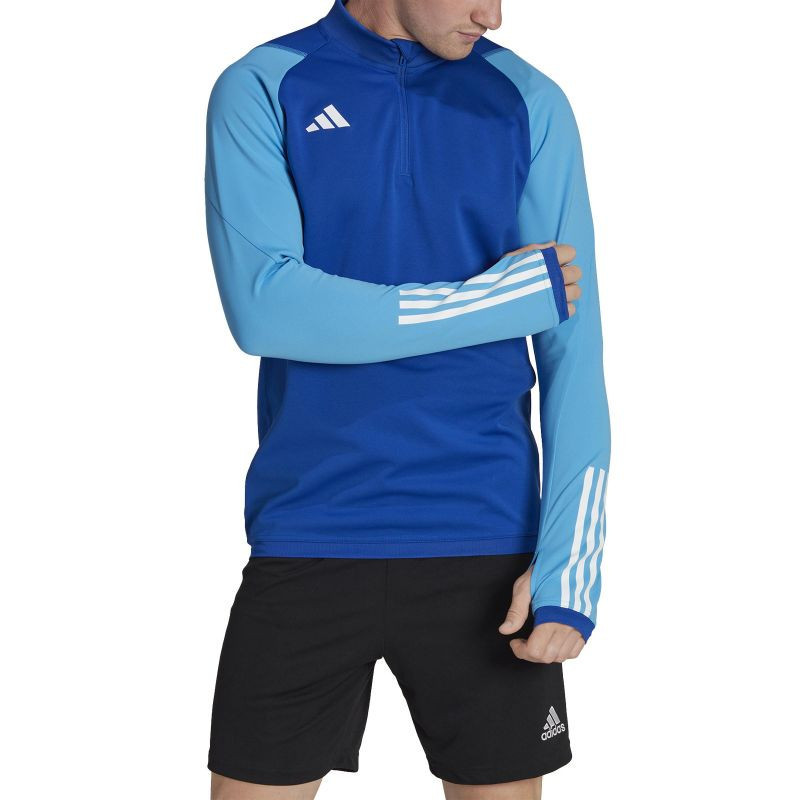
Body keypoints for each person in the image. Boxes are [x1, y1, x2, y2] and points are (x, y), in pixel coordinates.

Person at [203, 0, 611, 797]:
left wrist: (570, 566)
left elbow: (576, 349)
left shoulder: (528, 101)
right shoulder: (265, 84)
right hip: (310, 527)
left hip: (487, 542)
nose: (494, 15)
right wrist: (495, 301)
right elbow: (264, 309)